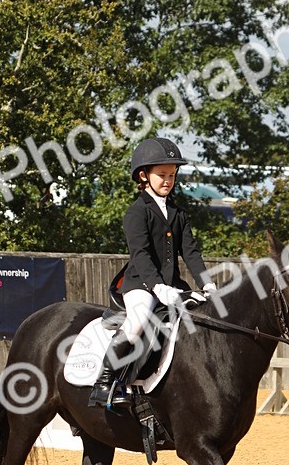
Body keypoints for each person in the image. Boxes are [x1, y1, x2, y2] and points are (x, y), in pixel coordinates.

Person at [89, 137, 217, 409]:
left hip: (173, 285)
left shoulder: (178, 213)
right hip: (141, 285)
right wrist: (158, 287)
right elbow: (141, 254)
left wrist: (207, 285)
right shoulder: (136, 212)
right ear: (144, 176)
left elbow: (191, 252)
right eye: (162, 175)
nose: (168, 180)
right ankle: (105, 382)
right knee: (137, 322)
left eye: (172, 175)